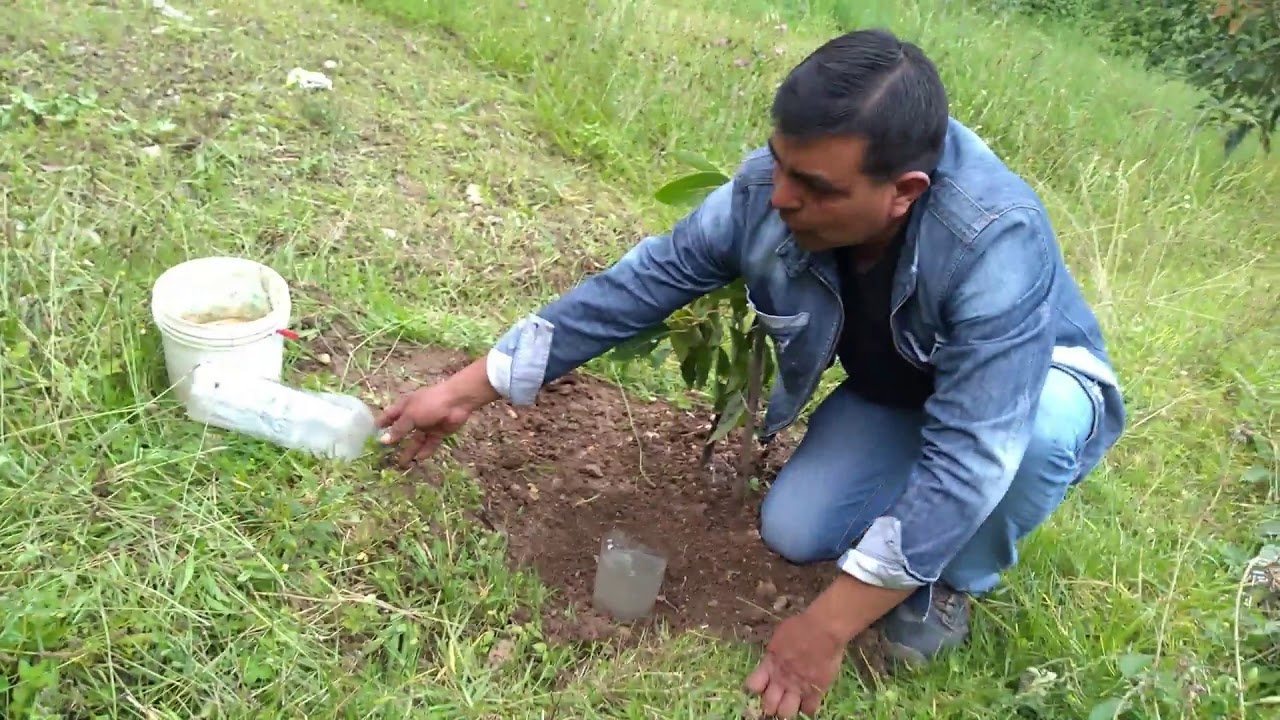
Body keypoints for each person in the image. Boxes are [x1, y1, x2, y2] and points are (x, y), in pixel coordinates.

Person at [377, 28, 1126, 719]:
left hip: (1029, 393)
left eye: (818, 189)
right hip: (901, 390)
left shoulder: (994, 236)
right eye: (781, 165)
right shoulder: (773, 187)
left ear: (904, 192)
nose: (780, 199)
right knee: (796, 530)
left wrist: (825, 628)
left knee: (1027, 440)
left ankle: (954, 578)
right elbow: (639, 285)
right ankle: (910, 528)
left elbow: (975, 450)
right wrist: (469, 386)